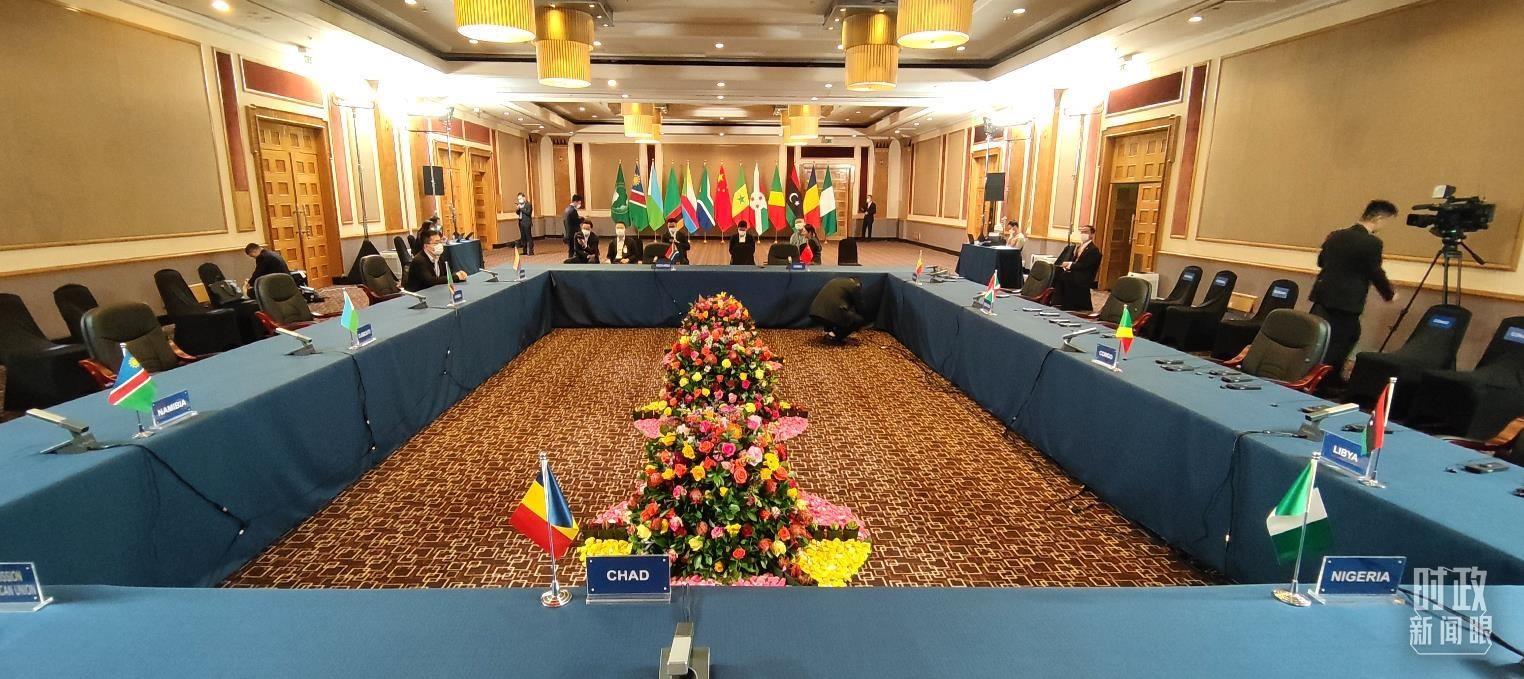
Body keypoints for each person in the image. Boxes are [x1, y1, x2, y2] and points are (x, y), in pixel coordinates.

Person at [1310, 200, 1399, 390]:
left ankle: (1312, 376)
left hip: (1323, 296)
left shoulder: (1336, 235)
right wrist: (1389, 294)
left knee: (1320, 338)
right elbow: (1375, 272)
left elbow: (1321, 261)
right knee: (1343, 341)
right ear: (1379, 217)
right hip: (1347, 301)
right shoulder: (1372, 243)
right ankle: (1326, 382)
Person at [1051, 224, 1102, 311]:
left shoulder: (1093, 250)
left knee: (1066, 277)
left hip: (1084, 275)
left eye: (1086, 232)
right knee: (1058, 273)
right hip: (1076, 271)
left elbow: (1084, 265)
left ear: (1092, 235)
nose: (1083, 234)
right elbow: (1075, 261)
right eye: (1082, 232)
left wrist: (1070, 265)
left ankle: (1068, 305)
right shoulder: (1080, 247)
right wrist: (1067, 266)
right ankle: (1056, 301)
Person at [809, 277, 866, 343]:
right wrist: (858, 325)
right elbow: (861, 308)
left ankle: (828, 331)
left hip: (814, 313)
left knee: (838, 312)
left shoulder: (834, 281)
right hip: (830, 315)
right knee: (859, 320)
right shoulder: (854, 285)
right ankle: (834, 336)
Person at [563, 194, 583, 258]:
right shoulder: (573, 210)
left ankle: (570, 260)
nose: (579, 205)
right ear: (575, 201)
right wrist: (582, 219)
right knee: (573, 250)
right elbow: (576, 221)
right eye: (579, 203)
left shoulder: (567, 209)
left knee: (571, 250)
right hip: (573, 234)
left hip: (568, 233)